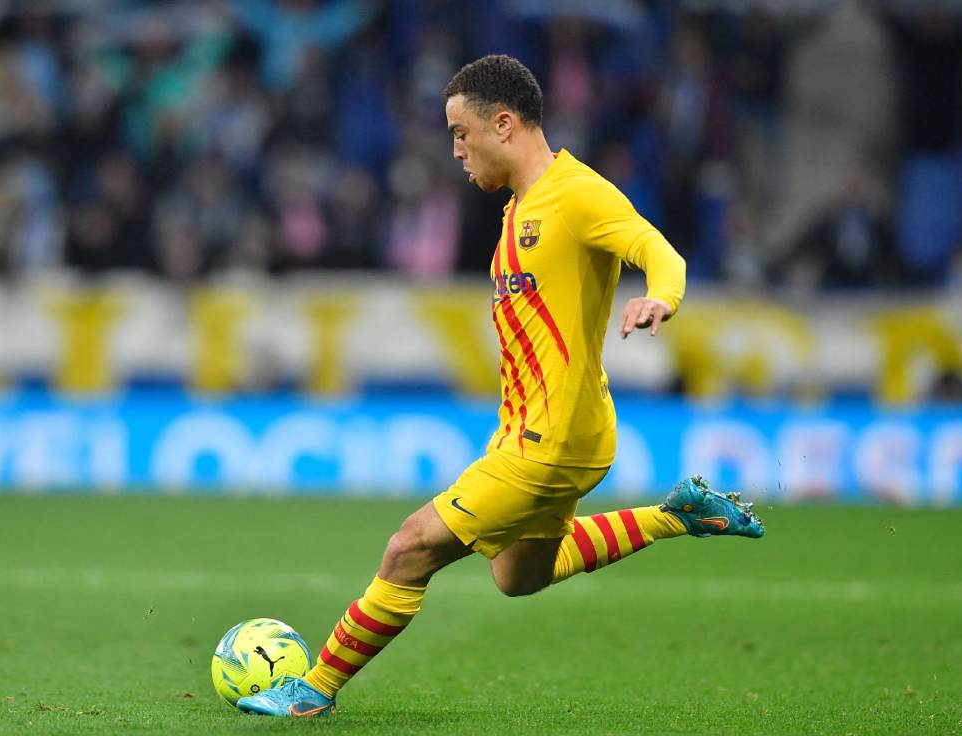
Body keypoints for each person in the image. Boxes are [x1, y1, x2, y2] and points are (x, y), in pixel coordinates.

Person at [237, 55, 765, 719]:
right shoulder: (520, 209)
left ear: (504, 124)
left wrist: (662, 297)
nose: (455, 150)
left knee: (409, 548)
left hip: (552, 441)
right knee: (517, 577)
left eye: (461, 133)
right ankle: (678, 514)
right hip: (543, 431)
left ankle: (312, 690)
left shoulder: (576, 194)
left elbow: (657, 249)